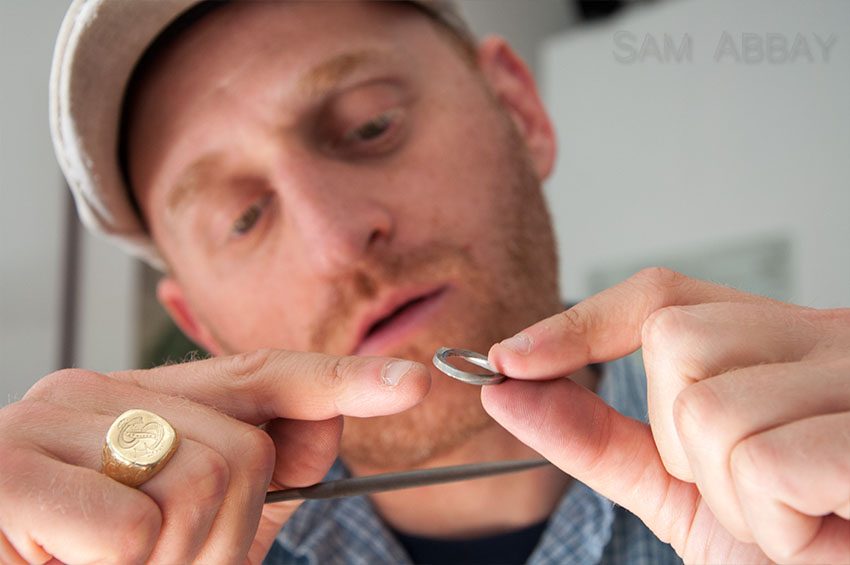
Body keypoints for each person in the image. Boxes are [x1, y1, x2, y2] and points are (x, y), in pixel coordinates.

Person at [1, 1, 847, 563]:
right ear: (201, 324)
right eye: (244, 219)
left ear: (518, 112)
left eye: (371, 124)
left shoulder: (808, 486)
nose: (338, 243)